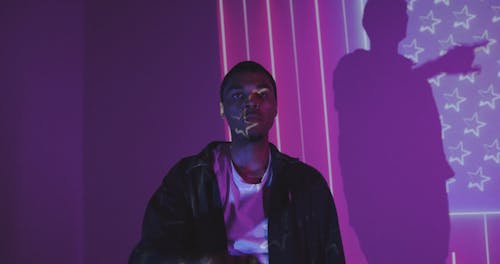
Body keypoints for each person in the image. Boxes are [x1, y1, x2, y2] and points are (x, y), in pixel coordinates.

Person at [130, 61, 345, 264]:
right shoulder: (189, 180)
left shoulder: (306, 184)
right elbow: (149, 255)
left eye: (262, 94)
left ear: (276, 107)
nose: (252, 102)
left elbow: (331, 256)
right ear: (222, 109)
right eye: (238, 95)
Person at [332, 0, 482, 263]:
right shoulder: (353, 69)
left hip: (423, 205)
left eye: (400, 15)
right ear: (369, 22)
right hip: (382, 206)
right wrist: (439, 65)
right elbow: (375, 101)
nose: (400, 20)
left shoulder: (409, 75)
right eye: (392, 15)